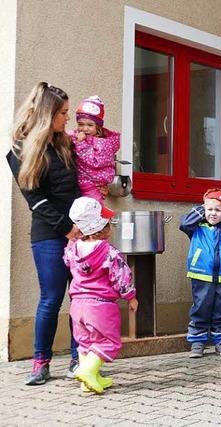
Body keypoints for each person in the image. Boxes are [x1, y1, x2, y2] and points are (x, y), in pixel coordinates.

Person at [6, 82, 83, 385]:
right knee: (51, 299)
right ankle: (41, 362)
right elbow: (35, 201)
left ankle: (79, 358)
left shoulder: (66, 144)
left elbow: (76, 189)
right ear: (47, 114)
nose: (68, 118)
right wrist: (68, 229)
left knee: (81, 298)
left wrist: (86, 225)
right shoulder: (19, 150)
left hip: (79, 234)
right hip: (50, 235)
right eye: (63, 112)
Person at [64, 197, 137, 394]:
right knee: (108, 341)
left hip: (77, 304)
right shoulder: (108, 252)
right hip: (101, 306)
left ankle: (88, 381)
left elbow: (67, 262)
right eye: (107, 222)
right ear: (100, 226)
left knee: (85, 342)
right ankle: (87, 371)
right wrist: (131, 297)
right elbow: (121, 277)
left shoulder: (73, 248)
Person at [179, 189, 221, 358]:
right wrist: (203, 207)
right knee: (201, 307)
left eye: (218, 210)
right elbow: (184, 223)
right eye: (210, 209)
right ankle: (197, 341)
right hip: (201, 274)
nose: (213, 213)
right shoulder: (196, 228)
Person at [70, 96, 120, 202]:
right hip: (82, 182)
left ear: (98, 127)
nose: (85, 128)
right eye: (81, 124)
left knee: (92, 209)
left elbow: (94, 162)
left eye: (90, 125)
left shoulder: (103, 143)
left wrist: (80, 144)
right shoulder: (80, 136)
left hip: (93, 184)